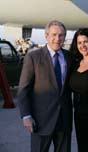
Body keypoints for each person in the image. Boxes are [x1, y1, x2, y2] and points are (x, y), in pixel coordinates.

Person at [18, 20, 72, 152]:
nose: (57, 39)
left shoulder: (69, 57)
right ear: (46, 36)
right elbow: (23, 89)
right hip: (41, 120)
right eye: (54, 35)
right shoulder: (33, 57)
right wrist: (26, 116)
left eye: (61, 35)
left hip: (64, 119)